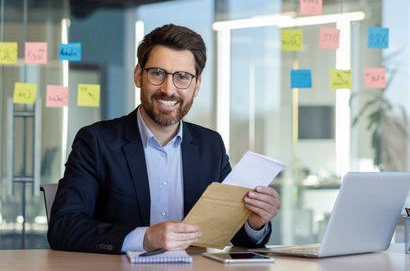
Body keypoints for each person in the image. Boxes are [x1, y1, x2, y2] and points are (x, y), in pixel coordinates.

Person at [47, 24, 280, 254]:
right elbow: (63, 227)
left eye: (182, 77)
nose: (169, 89)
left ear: (196, 85)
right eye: (158, 73)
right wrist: (145, 238)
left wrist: (254, 222)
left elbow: (232, 232)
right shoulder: (96, 142)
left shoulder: (210, 146)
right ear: (138, 75)